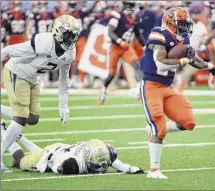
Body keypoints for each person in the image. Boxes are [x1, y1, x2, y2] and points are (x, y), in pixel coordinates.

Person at [140, 7, 215, 179]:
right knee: (159, 129)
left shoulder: (182, 38)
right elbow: (161, 64)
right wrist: (182, 60)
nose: (185, 28)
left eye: (186, 24)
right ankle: (154, 171)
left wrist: (209, 67)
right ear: (170, 23)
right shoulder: (158, 34)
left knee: (188, 122)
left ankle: (154, 128)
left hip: (168, 87)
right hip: (151, 86)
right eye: (181, 24)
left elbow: (193, 58)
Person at [0, 15, 80, 172]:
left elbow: (64, 81)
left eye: (73, 35)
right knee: (20, 119)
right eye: (68, 34)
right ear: (58, 32)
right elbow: (10, 50)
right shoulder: (44, 42)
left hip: (32, 78)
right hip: (16, 72)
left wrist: (64, 106)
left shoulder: (69, 54)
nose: (71, 38)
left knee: (32, 118)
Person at [0, 120, 143, 175]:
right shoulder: (73, 165)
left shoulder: (94, 153)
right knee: (19, 161)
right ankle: (3, 131)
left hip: (59, 147)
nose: (102, 165)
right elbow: (62, 168)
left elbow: (111, 160)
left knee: (39, 152)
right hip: (51, 156)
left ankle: (19, 136)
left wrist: (128, 168)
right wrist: (128, 168)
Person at [98, 1, 145, 105]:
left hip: (126, 48)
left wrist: (145, 46)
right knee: (111, 74)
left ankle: (139, 91)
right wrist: (119, 41)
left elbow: (137, 34)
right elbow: (110, 31)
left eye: (130, 5)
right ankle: (103, 90)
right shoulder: (117, 15)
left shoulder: (136, 17)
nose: (128, 7)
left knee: (137, 65)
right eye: (127, 4)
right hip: (115, 47)